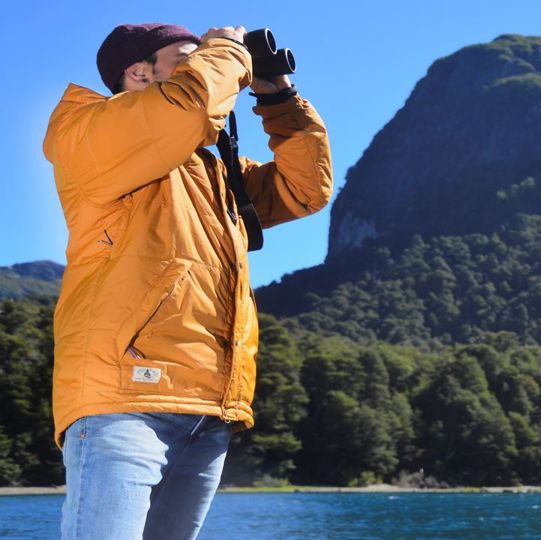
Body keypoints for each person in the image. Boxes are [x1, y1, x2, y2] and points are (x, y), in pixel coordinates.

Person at [42, 22, 333, 539]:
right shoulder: (87, 131)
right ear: (137, 73)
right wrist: (224, 48)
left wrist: (276, 94)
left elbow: (305, 188)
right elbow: (190, 109)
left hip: (206, 405)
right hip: (124, 401)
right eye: (187, 56)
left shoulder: (214, 172)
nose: (211, 64)